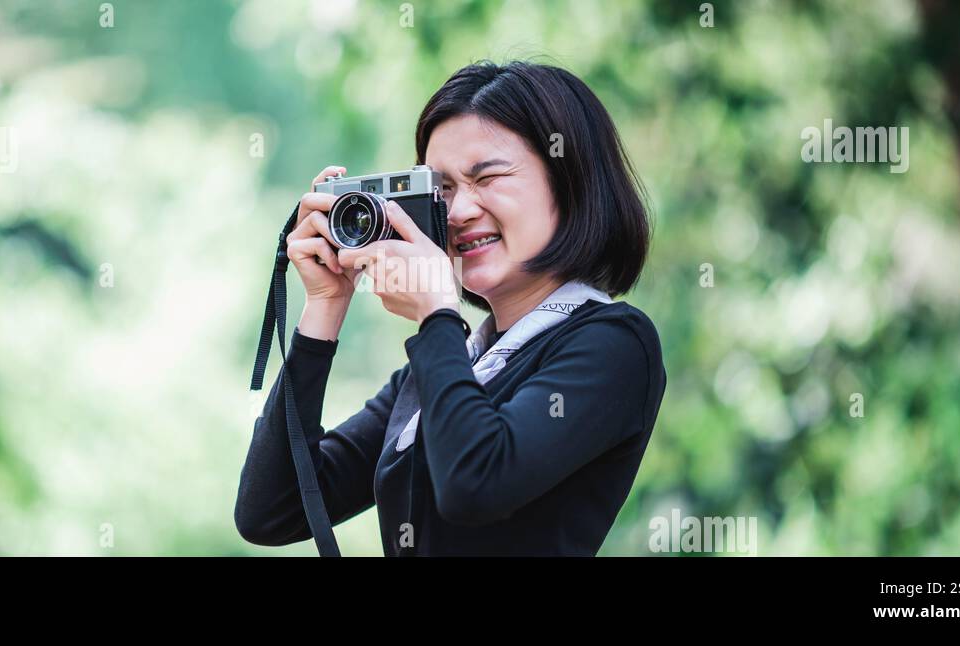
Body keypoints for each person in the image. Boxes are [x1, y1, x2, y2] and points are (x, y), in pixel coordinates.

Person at [235, 61, 666, 556]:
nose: (458, 212)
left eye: (489, 177)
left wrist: (437, 314)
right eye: (443, 189)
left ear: (570, 181)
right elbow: (272, 510)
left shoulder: (614, 343)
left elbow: (476, 483)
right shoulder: (451, 364)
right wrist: (325, 307)